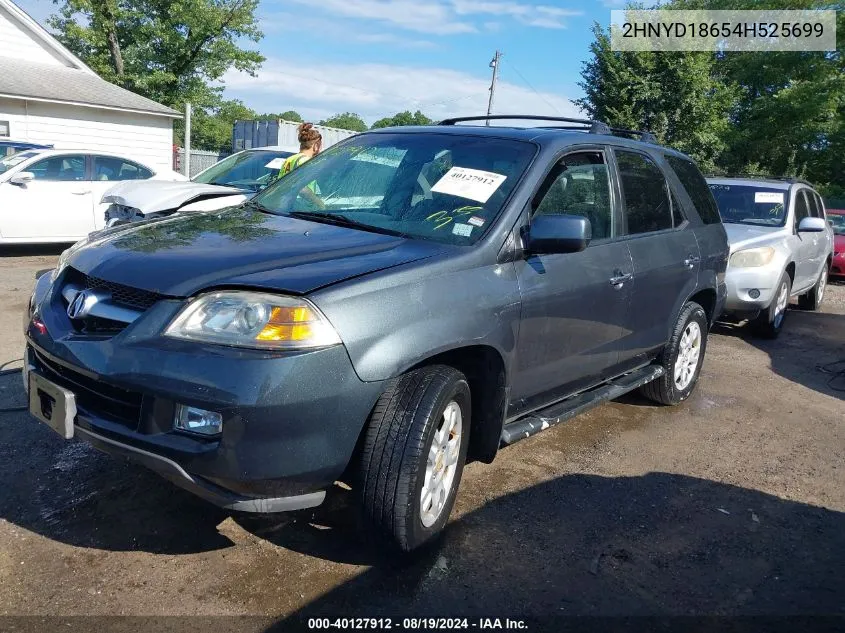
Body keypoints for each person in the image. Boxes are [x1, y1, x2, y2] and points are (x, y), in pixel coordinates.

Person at [274, 122, 324, 208]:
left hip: (285, 202)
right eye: (320, 146)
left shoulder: (289, 159)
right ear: (315, 146)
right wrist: (319, 203)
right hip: (299, 204)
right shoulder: (305, 161)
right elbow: (302, 189)